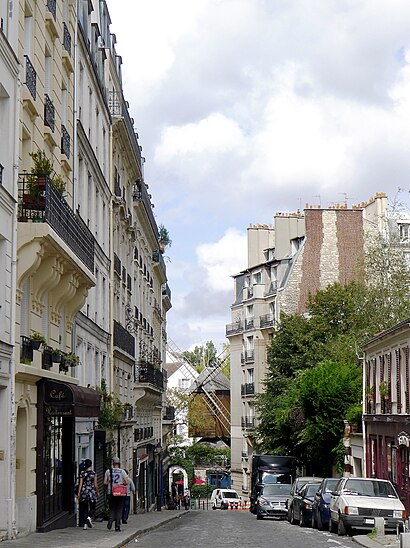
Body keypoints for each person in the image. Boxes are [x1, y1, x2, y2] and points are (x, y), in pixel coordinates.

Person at [104, 456, 128, 532]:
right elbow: (126, 482)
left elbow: (105, 482)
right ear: (119, 463)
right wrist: (121, 484)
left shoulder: (108, 471)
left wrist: (110, 483)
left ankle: (110, 520)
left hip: (111, 492)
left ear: (113, 463)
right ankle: (117, 526)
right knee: (119, 509)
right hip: (120, 493)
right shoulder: (122, 472)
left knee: (112, 508)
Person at [77, 458, 98, 530]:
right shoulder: (94, 474)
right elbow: (95, 484)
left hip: (84, 491)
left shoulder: (82, 474)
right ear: (91, 465)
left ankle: (85, 525)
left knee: (84, 508)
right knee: (93, 507)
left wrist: (79, 493)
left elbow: (80, 484)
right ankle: (89, 517)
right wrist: (97, 492)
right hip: (91, 492)